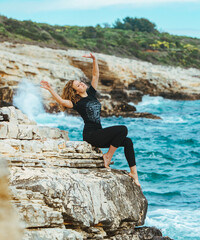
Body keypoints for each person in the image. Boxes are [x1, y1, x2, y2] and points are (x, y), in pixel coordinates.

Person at [40, 53, 140, 187]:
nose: (81, 84)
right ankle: (108, 156)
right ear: (75, 92)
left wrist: (94, 60)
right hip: (91, 135)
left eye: (80, 82)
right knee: (123, 129)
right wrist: (51, 89)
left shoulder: (92, 94)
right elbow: (62, 101)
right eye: (78, 85)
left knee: (127, 141)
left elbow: (95, 75)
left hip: (100, 133)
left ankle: (134, 173)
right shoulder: (77, 102)